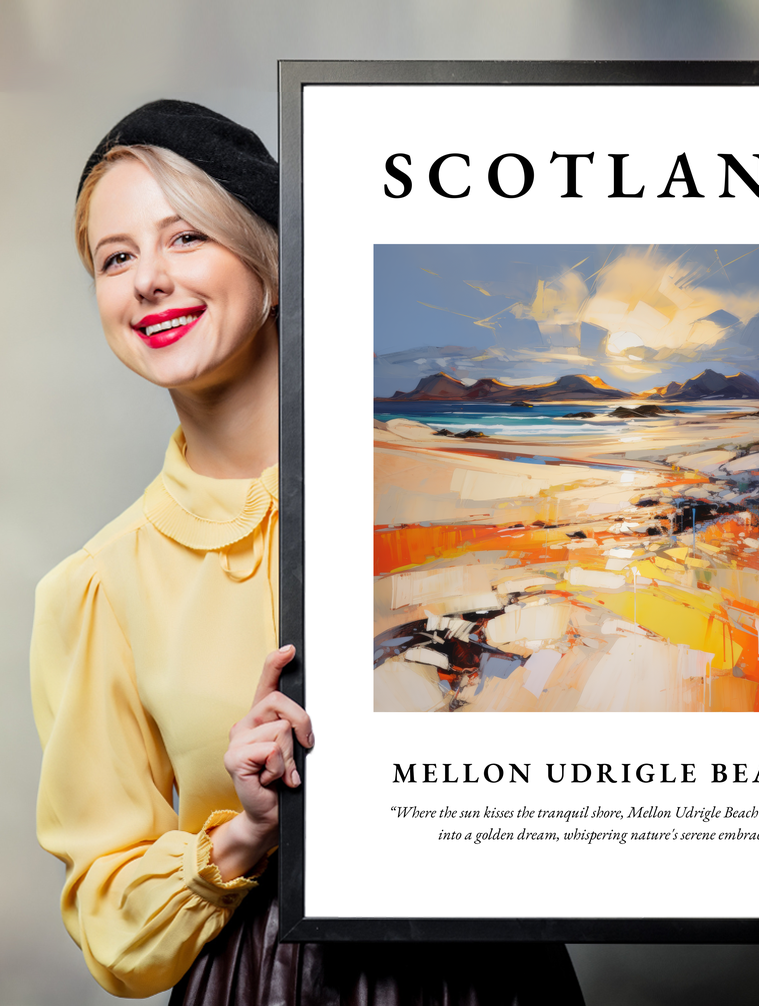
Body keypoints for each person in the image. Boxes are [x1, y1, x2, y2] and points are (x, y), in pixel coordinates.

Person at [30, 100, 586, 1004]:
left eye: (185, 239)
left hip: (493, 974)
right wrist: (245, 832)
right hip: (262, 982)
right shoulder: (97, 587)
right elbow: (110, 923)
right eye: (116, 257)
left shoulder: (456, 503)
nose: (148, 281)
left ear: (273, 263)